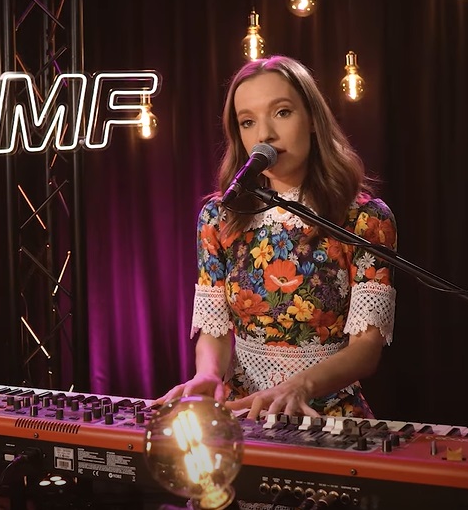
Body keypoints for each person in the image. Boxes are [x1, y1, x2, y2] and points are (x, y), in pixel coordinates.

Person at [159, 55, 397, 420]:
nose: (264, 134)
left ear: (313, 119)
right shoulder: (219, 217)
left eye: (282, 112)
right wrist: (207, 374)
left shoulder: (365, 218)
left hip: (327, 416)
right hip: (244, 415)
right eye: (248, 121)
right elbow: (215, 330)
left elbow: (367, 348)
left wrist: (299, 385)